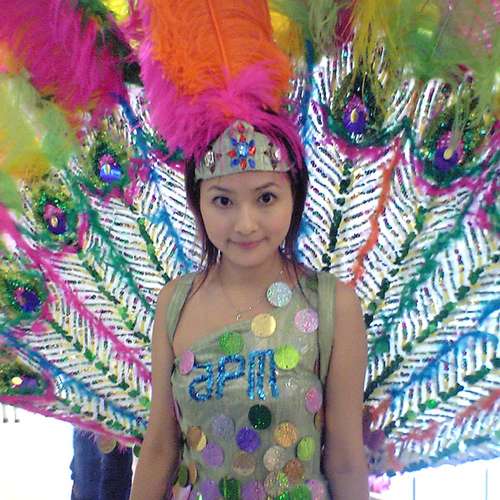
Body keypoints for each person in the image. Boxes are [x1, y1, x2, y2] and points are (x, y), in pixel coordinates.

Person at [130, 120, 368, 500]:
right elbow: (159, 448)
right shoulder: (175, 303)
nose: (245, 224)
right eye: (223, 201)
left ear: (294, 196)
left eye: (266, 198)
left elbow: (345, 461)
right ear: (198, 202)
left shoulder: (332, 305)